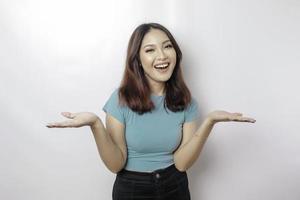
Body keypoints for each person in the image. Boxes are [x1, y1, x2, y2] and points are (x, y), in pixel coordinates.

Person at [46, 23, 256, 200]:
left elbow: (182, 163)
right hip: (131, 188)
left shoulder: (187, 103)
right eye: (150, 50)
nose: (162, 56)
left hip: (175, 186)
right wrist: (95, 124)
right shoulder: (120, 100)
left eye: (167, 47)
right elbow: (116, 164)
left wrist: (209, 122)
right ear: (137, 59)